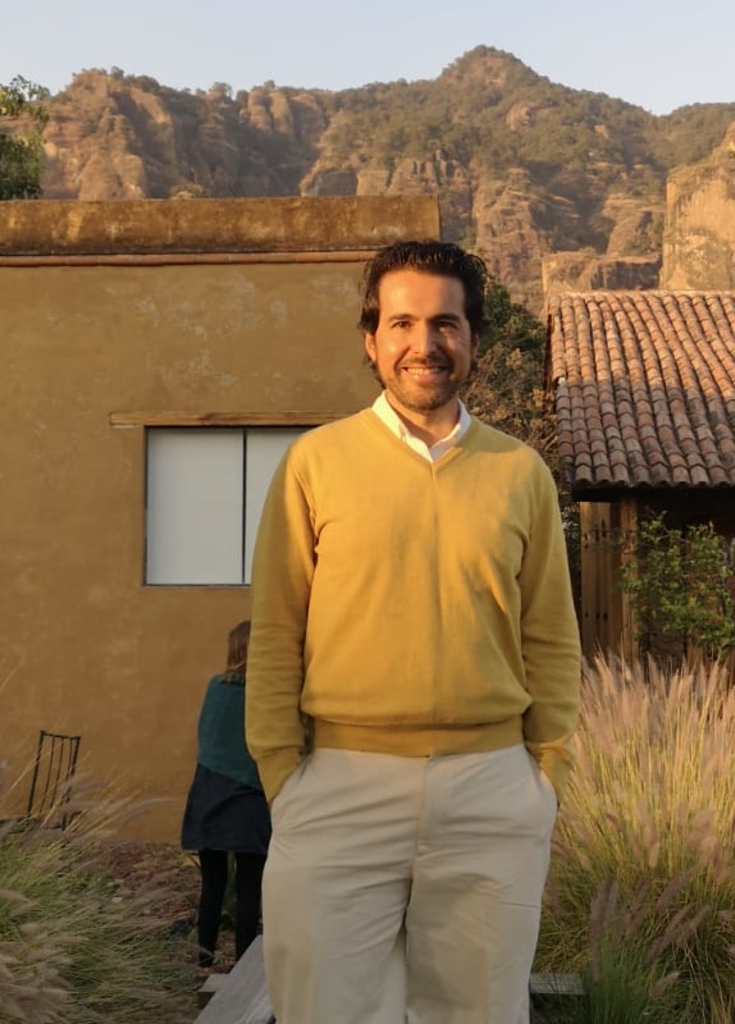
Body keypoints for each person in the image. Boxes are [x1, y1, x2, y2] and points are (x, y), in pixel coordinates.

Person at [245, 240, 582, 1023]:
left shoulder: (520, 472)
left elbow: (552, 637)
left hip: (493, 791)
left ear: (473, 340)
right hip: (338, 788)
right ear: (371, 339)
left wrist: (546, 774)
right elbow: (276, 631)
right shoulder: (314, 464)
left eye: (445, 323)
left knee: (479, 1012)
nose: (423, 344)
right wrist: (280, 778)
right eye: (401, 323)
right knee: (327, 1010)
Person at [180, 619, 270, 971]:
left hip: (210, 792)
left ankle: (204, 961)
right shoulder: (267, 693)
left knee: (212, 884)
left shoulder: (215, 687)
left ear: (233, 649)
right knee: (250, 885)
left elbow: (207, 736)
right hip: (250, 798)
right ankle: (244, 966)